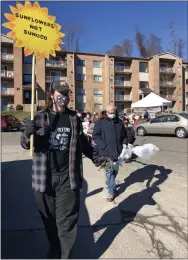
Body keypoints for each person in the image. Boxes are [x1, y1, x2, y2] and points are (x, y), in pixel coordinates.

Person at [20, 80, 106, 259]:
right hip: (43, 178)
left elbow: (84, 144)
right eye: (60, 93)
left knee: (66, 222)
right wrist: (28, 133)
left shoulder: (74, 118)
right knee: (49, 221)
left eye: (67, 93)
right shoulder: (39, 117)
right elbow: (26, 144)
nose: (64, 97)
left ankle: (65, 256)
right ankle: (55, 248)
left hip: (68, 177)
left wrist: (97, 158)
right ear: (52, 95)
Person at [92, 105, 127, 202]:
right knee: (110, 171)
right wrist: (103, 146)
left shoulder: (119, 122)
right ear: (106, 112)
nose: (111, 114)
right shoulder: (100, 122)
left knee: (115, 171)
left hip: (118, 152)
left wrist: (124, 144)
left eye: (113, 112)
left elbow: (125, 135)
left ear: (116, 112)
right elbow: (95, 136)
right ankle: (111, 192)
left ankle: (109, 182)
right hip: (106, 152)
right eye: (109, 113)